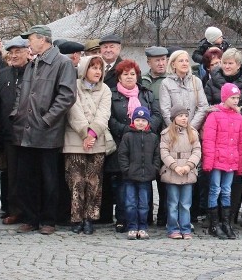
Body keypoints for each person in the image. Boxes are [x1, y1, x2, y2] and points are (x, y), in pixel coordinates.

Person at [10, 25, 77, 236]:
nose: (27, 43)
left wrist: (47, 119)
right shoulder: (33, 63)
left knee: (49, 178)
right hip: (25, 130)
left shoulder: (62, 63)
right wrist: (16, 114)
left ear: (43, 39)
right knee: (26, 177)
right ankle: (31, 218)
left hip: (47, 132)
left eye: (30, 39)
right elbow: (22, 92)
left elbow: (67, 95)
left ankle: (48, 219)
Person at [203, 47, 242, 227]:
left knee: (235, 178)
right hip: (217, 135)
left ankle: (231, 215)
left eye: (231, 63)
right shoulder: (212, 82)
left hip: (240, 136)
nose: (227, 66)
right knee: (213, 178)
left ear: (239, 65)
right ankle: (213, 215)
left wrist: (236, 125)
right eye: (224, 63)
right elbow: (207, 106)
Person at [106, 59, 163, 231]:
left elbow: (156, 114)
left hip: (145, 142)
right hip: (122, 143)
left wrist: (146, 128)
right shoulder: (112, 94)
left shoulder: (145, 94)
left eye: (132, 74)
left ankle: (144, 219)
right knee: (124, 185)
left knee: (145, 184)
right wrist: (127, 130)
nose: (129, 77)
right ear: (119, 77)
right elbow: (110, 118)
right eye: (126, 74)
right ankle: (123, 218)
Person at [158, 49, 208, 226]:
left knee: (190, 173)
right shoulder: (166, 83)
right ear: (173, 64)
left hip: (191, 132)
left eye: (187, 60)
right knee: (172, 175)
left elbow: (203, 106)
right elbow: (164, 109)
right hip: (172, 133)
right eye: (181, 61)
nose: (185, 63)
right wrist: (176, 126)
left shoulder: (196, 82)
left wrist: (190, 127)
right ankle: (170, 219)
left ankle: (188, 218)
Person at [63, 55, 112, 235]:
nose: (98, 72)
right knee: (76, 180)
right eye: (94, 67)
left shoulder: (105, 89)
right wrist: (84, 132)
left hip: (96, 141)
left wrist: (92, 134)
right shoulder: (73, 86)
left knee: (94, 181)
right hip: (75, 140)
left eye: (100, 68)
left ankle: (90, 217)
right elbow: (73, 110)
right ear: (84, 69)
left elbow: (104, 113)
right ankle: (76, 217)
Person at [202, 83, 242, 239]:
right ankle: (214, 223)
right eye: (232, 98)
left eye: (237, 98)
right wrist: (208, 162)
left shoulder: (238, 117)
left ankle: (226, 223)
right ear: (225, 97)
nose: (235, 101)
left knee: (226, 191)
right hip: (217, 160)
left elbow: (240, 143)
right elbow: (208, 140)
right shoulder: (214, 115)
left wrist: (239, 165)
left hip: (231, 160)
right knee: (215, 190)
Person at [0, 38, 30, 225]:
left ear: (27, 52)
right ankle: (13, 209)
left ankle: (27, 211)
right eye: (12, 52)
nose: (14, 55)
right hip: (7, 134)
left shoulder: (34, 72)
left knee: (26, 174)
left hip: (29, 133)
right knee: (10, 174)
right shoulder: (2, 74)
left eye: (18, 51)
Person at [118, 106, 161, 240]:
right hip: (130, 177)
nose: (140, 123)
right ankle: (132, 227)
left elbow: (157, 156)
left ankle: (142, 227)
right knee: (130, 203)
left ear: (148, 122)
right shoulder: (127, 136)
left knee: (144, 204)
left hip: (146, 177)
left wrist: (154, 169)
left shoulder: (153, 138)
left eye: (143, 120)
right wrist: (126, 170)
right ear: (133, 121)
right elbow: (122, 155)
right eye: (137, 120)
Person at [160, 105, 201, 239]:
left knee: (185, 204)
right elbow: (164, 152)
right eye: (180, 116)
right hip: (173, 172)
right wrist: (174, 166)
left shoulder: (193, 133)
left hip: (187, 172)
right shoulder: (166, 134)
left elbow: (197, 151)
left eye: (185, 116)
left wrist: (188, 166)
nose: (184, 118)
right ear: (174, 118)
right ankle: (173, 228)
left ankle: (185, 228)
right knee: (172, 203)